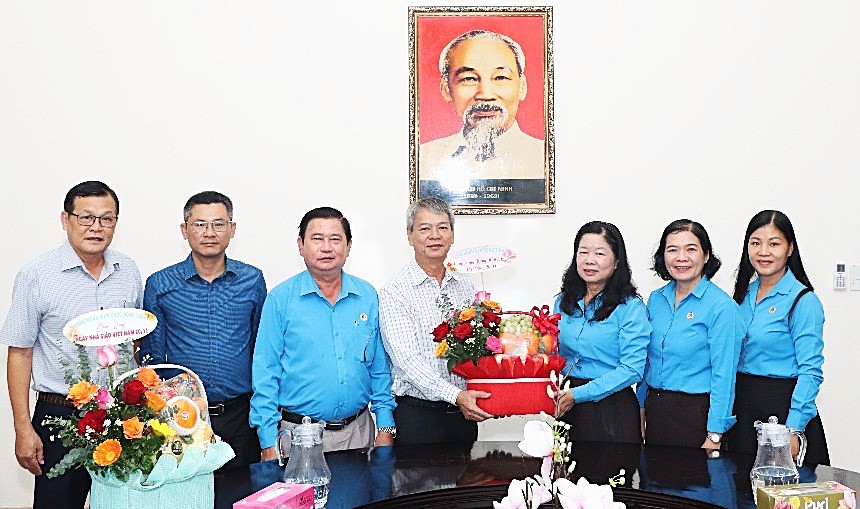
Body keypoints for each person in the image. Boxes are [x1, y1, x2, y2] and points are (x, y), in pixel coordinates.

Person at [1, 181, 142, 509]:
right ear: (66, 219)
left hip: (121, 417)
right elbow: (19, 353)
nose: (96, 227)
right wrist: (23, 427)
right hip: (60, 415)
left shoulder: (128, 270)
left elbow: (134, 339)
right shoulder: (36, 275)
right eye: (86, 217)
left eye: (106, 219)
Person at [250, 207, 396, 461]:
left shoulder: (367, 296)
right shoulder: (280, 300)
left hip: (359, 432)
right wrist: (268, 441)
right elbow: (265, 373)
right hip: (299, 436)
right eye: (317, 239)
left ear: (348, 246)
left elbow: (379, 369)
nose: (326, 247)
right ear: (301, 245)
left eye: (335, 239)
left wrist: (385, 426)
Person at [139, 191, 267, 469]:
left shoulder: (252, 280)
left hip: (240, 416)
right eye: (199, 224)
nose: (209, 233)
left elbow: (261, 349)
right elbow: (153, 358)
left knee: (243, 489)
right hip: (181, 418)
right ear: (184, 230)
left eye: (219, 224)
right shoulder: (160, 284)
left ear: (232, 229)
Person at [379, 197, 492, 445]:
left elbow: (477, 347)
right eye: (424, 228)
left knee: (469, 471)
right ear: (409, 236)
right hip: (418, 416)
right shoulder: (395, 291)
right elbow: (407, 362)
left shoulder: (466, 284)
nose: (435, 235)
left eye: (442, 227)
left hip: (463, 414)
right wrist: (455, 395)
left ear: (452, 235)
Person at [725, 210, 829, 465]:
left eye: (774, 244)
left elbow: (811, 371)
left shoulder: (803, 301)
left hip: (781, 411)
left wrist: (793, 429)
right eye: (756, 243)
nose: (763, 252)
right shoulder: (742, 295)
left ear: (790, 248)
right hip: (742, 407)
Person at [637, 219, 744, 450]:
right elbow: (647, 360)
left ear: (706, 256)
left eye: (691, 249)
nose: (681, 258)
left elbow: (724, 376)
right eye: (672, 250)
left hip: (697, 415)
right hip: (656, 410)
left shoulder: (722, 307)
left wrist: (715, 434)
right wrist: (641, 407)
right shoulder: (656, 299)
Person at [553, 221, 650, 444]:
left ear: (616, 262)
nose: (589, 260)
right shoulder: (564, 301)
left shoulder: (630, 307)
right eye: (583, 252)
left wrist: (578, 395)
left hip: (611, 407)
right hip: (567, 401)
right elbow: (553, 351)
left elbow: (632, 369)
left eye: (599, 253)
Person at [419, 30, 545, 182]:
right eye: (469, 79)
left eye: (500, 77)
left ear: (522, 87)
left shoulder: (545, 159)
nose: (485, 94)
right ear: (446, 89)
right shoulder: (424, 160)